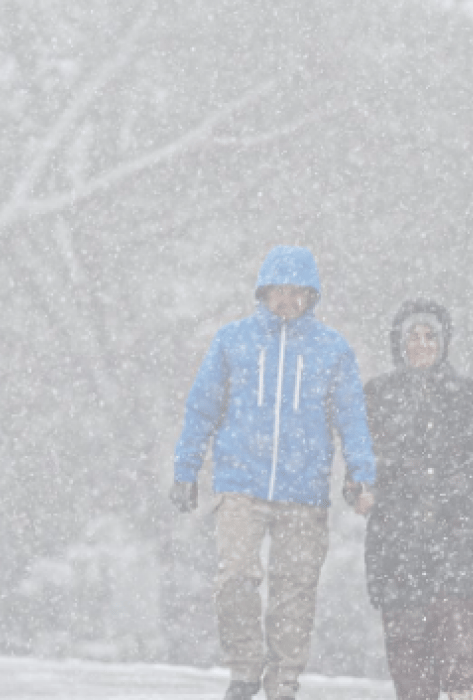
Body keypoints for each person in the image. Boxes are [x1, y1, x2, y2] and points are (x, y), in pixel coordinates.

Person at [171, 246, 377, 700]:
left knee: (295, 589)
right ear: (263, 293)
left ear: (311, 296)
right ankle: (245, 668)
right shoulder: (232, 341)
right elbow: (201, 408)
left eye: (297, 292)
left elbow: (351, 416)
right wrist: (186, 468)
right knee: (236, 577)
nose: (287, 301)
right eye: (278, 292)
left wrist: (361, 474)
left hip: (304, 488)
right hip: (241, 481)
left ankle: (284, 678)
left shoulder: (332, 349)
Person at [361, 299, 473, 700]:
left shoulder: (462, 393)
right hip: (397, 529)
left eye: (429, 337)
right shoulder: (379, 393)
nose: (422, 345)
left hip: (453, 524)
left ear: (443, 343)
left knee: (456, 618)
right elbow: (361, 453)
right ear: (399, 344)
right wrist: (360, 489)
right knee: (406, 631)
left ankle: (460, 692)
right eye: (413, 337)